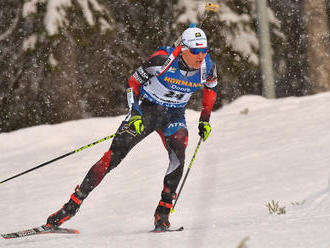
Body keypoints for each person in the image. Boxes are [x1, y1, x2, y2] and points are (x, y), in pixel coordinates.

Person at [46, 26, 218, 231]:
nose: (201, 56)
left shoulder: (207, 67)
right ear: (183, 49)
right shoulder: (162, 61)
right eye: (196, 51)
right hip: (147, 110)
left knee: (178, 155)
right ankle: (71, 207)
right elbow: (133, 83)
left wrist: (204, 119)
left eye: (205, 50)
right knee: (113, 157)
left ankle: (162, 215)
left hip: (173, 115)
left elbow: (211, 88)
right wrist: (135, 112)